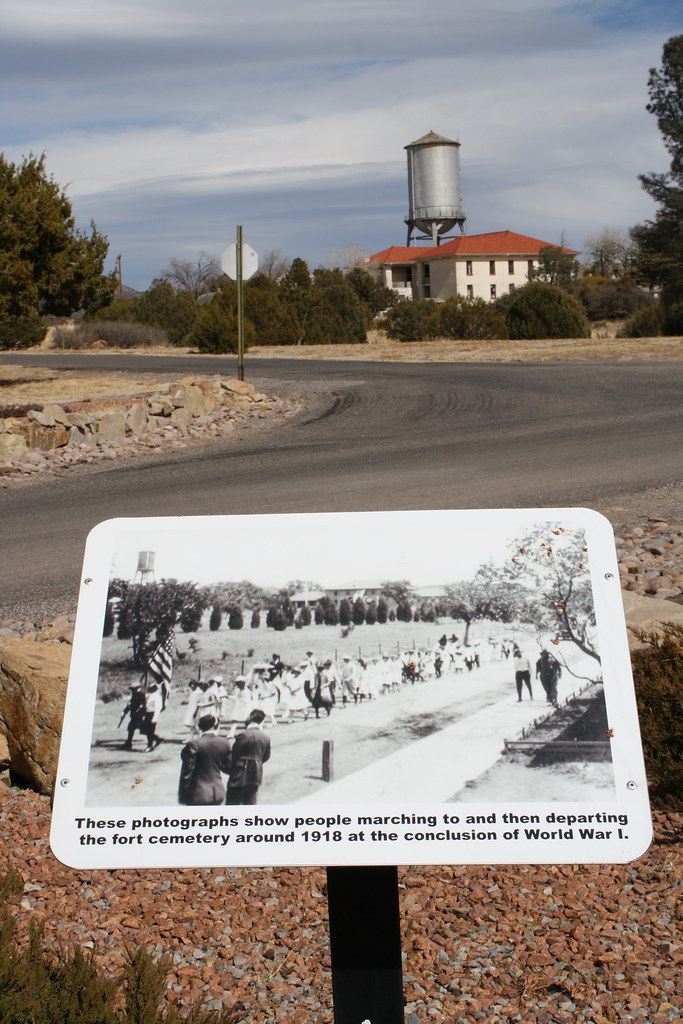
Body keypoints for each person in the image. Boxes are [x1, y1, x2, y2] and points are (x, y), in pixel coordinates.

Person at [178, 714, 232, 805]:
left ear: (199, 727)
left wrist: (182, 795)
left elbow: (187, 772)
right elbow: (229, 768)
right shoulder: (225, 743)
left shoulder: (194, 744)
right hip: (218, 792)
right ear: (216, 726)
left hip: (198, 793)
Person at [225, 709, 271, 805]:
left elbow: (234, 755)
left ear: (251, 717)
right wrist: (256, 762)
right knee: (250, 804)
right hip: (256, 775)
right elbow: (266, 756)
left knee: (233, 804)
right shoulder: (265, 736)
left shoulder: (243, 735)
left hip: (239, 774)